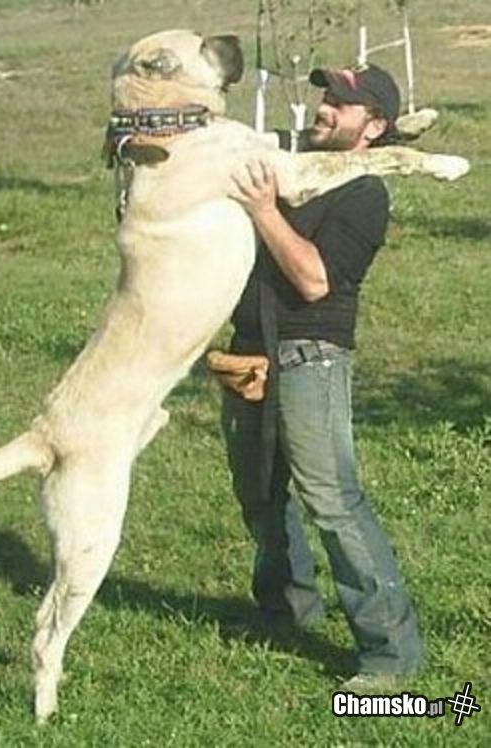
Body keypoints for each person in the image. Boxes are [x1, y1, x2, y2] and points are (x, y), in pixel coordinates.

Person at [222, 63, 424, 691]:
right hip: (248, 351)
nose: (325, 108)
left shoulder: (364, 193)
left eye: (342, 103)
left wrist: (264, 211)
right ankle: (285, 609)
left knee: (333, 501)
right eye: (326, 95)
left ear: (375, 126)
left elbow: (313, 280)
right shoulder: (291, 164)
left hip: (310, 355)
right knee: (259, 494)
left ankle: (391, 654)